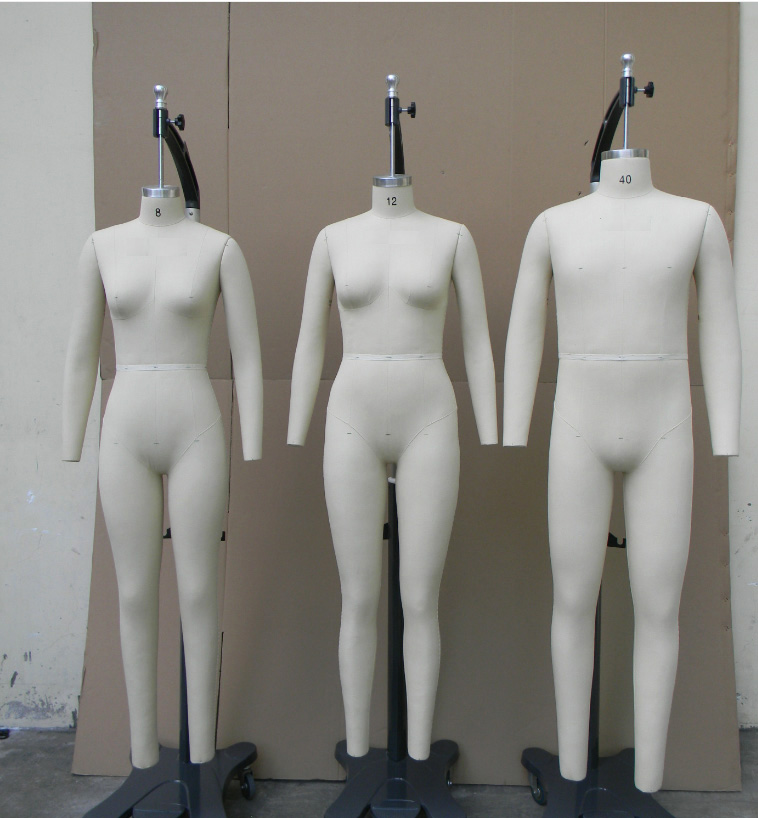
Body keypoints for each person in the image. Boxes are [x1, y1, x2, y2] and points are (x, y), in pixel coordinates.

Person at [503, 151, 741, 792]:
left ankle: (648, 777)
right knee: (572, 599)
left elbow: (721, 324)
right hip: (578, 428)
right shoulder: (554, 224)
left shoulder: (697, 220)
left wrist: (727, 430)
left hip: (664, 429)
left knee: (659, 608)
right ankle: (572, 765)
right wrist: (513, 422)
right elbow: (526, 325)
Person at [288, 177, 497, 761]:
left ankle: (419, 752)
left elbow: (477, 340)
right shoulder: (333, 239)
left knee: (421, 599)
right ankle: (359, 749)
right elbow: (310, 340)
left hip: (428, 415)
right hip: (351, 417)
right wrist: (296, 424)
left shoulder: (452, 237)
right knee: (357, 597)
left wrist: (492, 425)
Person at [63, 190, 263, 768]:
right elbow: (81, 352)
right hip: (124, 430)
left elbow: (247, 354)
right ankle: (144, 754)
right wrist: (70, 440)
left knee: (198, 591)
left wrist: (252, 437)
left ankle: (201, 752)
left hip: (194, 425)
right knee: (133, 592)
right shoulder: (102, 247)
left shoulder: (219, 248)